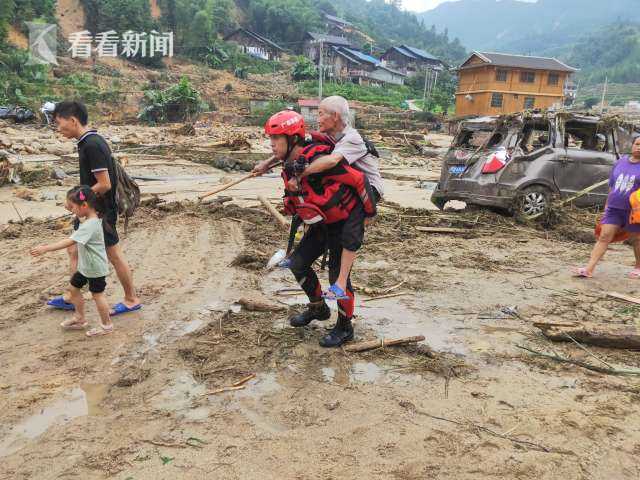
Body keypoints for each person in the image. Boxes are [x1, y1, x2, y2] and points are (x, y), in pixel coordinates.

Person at [255, 110, 375, 347]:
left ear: (292, 140)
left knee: (337, 277)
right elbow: (296, 198)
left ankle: (344, 327)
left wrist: (369, 214)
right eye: (270, 140)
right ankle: (318, 308)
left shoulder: (323, 162)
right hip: (321, 225)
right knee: (297, 263)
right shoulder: (290, 165)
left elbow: (360, 181)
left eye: (275, 140)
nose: (271, 146)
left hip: (343, 223)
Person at [46, 101, 141, 316]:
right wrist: (78, 203)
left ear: (73, 120)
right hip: (89, 210)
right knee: (74, 250)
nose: (58, 129)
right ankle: (72, 296)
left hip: (99, 213)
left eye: (60, 124)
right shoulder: (88, 141)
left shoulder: (92, 145)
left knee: (114, 255)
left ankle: (131, 298)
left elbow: (105, 183)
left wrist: (76, 200)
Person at [296, 96, 383, 300]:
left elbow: (331, 161)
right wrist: (266, 164)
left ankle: (341, 283)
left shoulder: (352, 138)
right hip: (349, 186)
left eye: (320, 114)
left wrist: (301, 173)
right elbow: (298, 144)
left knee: (351, 233)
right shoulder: (332, 137)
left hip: (368, 190)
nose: (317, 118)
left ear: (335, 116)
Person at [31, 186, 114, 337]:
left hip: (95, 268)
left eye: (73, 207)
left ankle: (107, 326)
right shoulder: (89, 218)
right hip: (85, 267)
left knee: (97, 295)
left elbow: (69, 241)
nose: (71, 210)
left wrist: (45, 248)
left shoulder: (90, 224)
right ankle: (79, 317)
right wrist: (71, 202)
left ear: (84, 206)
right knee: (73, 289)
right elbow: (78, 206)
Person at [574, 136, 640, 278]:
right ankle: (589, 269)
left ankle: (638, 266)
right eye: (637, 144)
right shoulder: (620, 163)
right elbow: (612, 185)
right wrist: (607, 205)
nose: (639, 147)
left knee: (636, 239)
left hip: (634, 211)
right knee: (604, 236)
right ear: (632, 145)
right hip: (614, 208)